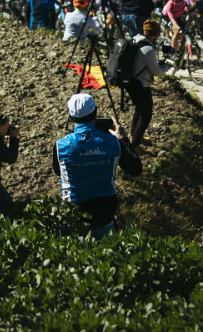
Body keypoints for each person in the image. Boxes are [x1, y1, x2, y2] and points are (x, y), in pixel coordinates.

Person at [53, 93, 142, 237]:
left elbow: (59, 172)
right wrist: (123, 139)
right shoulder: (113, 142)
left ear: (71, 117)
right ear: (95, 113)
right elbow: (136, 169)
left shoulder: (61, 145)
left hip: (73, 211)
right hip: (104, 212)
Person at [124, 19, 169, 146]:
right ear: (154, 35)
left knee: (139, 110)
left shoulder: (136, 39)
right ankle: (135, 145)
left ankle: (135, 137)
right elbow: (157, 72)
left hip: (131, 81)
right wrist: (167, 66)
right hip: (141, 85)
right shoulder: (148, 49)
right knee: (146, 115)